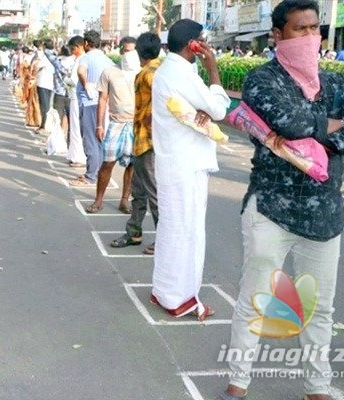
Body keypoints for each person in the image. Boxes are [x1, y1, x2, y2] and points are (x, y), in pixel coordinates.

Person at [222, 1, 344, 399]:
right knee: (256, 299)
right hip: (271, 207)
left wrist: (321, 137)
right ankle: (238, 383)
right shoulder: (262, 79)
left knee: (319, 309)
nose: (309, 37)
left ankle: (317, 387)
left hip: (324, 213)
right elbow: (286, 122)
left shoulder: (338, 85)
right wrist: (328, 127)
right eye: (298, 29)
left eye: (314, 29)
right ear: (277, 35)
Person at [149, 19, 230, 321]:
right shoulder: (181, 72)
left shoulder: (170, 71)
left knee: (174, 228)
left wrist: (203, 109)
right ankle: (181, 298)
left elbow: (205, 110)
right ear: (193, 45)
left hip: (176, 161)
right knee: (188, 232)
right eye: (203, 41)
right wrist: (213, 69)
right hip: (186, 163)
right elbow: (219, 110)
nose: (206, 46)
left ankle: (165, 290)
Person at [109, 32, 162, 255]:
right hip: (145, 139)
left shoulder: (148, 74)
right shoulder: (160, 70)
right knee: (140, 190)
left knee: (152, 192)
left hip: (148, 141)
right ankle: (134, 231)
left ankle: (164, 239)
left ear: (140, 53)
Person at [85, 37, 136, 215]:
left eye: (133, 51)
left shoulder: (142, 72)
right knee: (107, 163)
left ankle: (124, 200)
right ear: (121, 51)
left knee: (132, 165)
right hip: (116, 123)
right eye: (127, 50)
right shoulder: (109, 72)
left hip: (135, 124)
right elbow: (103, 99)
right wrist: (99, 125)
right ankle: (98, 200)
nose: (130, 54)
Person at [70, 30, 114, 187]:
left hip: (89, 103)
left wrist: (86, 84)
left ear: (86, 44)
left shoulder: (86, 57)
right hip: (103, 103)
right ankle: (98, 173)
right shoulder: (107, 60)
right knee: (99, 138)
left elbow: (80, 71)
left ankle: (90, 176)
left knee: (90, 140)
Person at [64, 36, 87, 167]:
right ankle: (74, 155)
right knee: (74, 128)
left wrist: (65, 80)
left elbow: (73, 81)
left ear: (79, 47)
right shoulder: (77, 59)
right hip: (73, 96)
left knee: (77, 128)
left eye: (73, 48)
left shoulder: (82, 60)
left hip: (77, 97)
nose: (72, 50)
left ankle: (79, 157)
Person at [35, 39, 56, 134]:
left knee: (44, 105)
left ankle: (44, 125)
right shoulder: (55, 55)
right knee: (47, 104)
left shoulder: (45, 56)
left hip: (43, 82)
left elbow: (37, 66)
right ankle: (45, 124)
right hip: (51, 84)